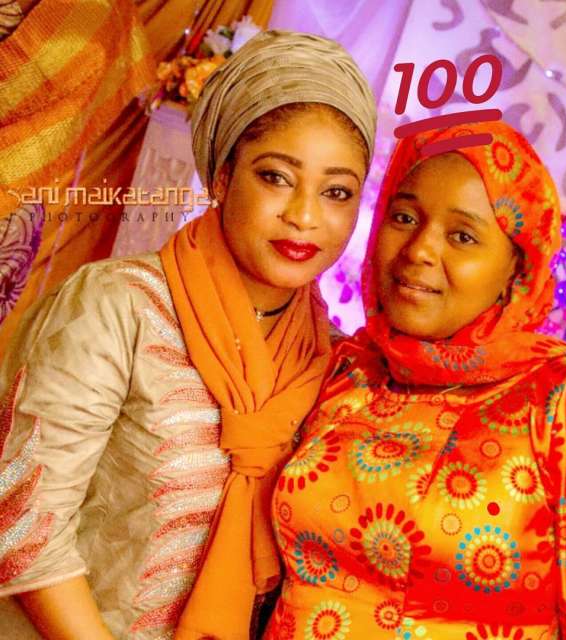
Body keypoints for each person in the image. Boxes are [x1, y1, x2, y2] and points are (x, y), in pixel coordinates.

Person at [0, 30, 376, 640]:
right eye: (276, 177)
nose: (304, 215)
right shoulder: (120, 305)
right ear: (222, 178)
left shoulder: (330, 362)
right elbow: (23, 519)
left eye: (336, 192)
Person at [264, 121, 566, 639]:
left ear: (517, 268)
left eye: (462, 236)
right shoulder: (347, 370)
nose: (418, 249)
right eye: (403, 217)